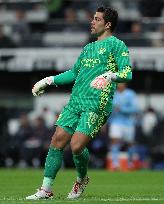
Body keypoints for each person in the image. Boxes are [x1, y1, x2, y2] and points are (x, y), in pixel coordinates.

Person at [26, 6, 132, 200]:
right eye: (93, 18)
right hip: (76, 102)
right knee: (57, 140)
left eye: (97, 19)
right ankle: (45, 190)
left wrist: (110, 76)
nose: (92, 22)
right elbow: (74, 73)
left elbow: (128, 73)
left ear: (107, 24)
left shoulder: (117, 45)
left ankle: (81, 179)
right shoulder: (88, 48)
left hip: (96, 104)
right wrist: (49, 80)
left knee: (76, 146)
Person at [108, 83, 138, 170]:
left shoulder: (130, 94)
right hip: (116, 122)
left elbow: (135, 108)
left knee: (129, 144)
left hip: (128, 123)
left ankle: (130, 162)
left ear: (125, 83)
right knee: (114, 141)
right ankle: (115, 163)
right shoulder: (112, 93)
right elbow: (109, 108)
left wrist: (122, 109)